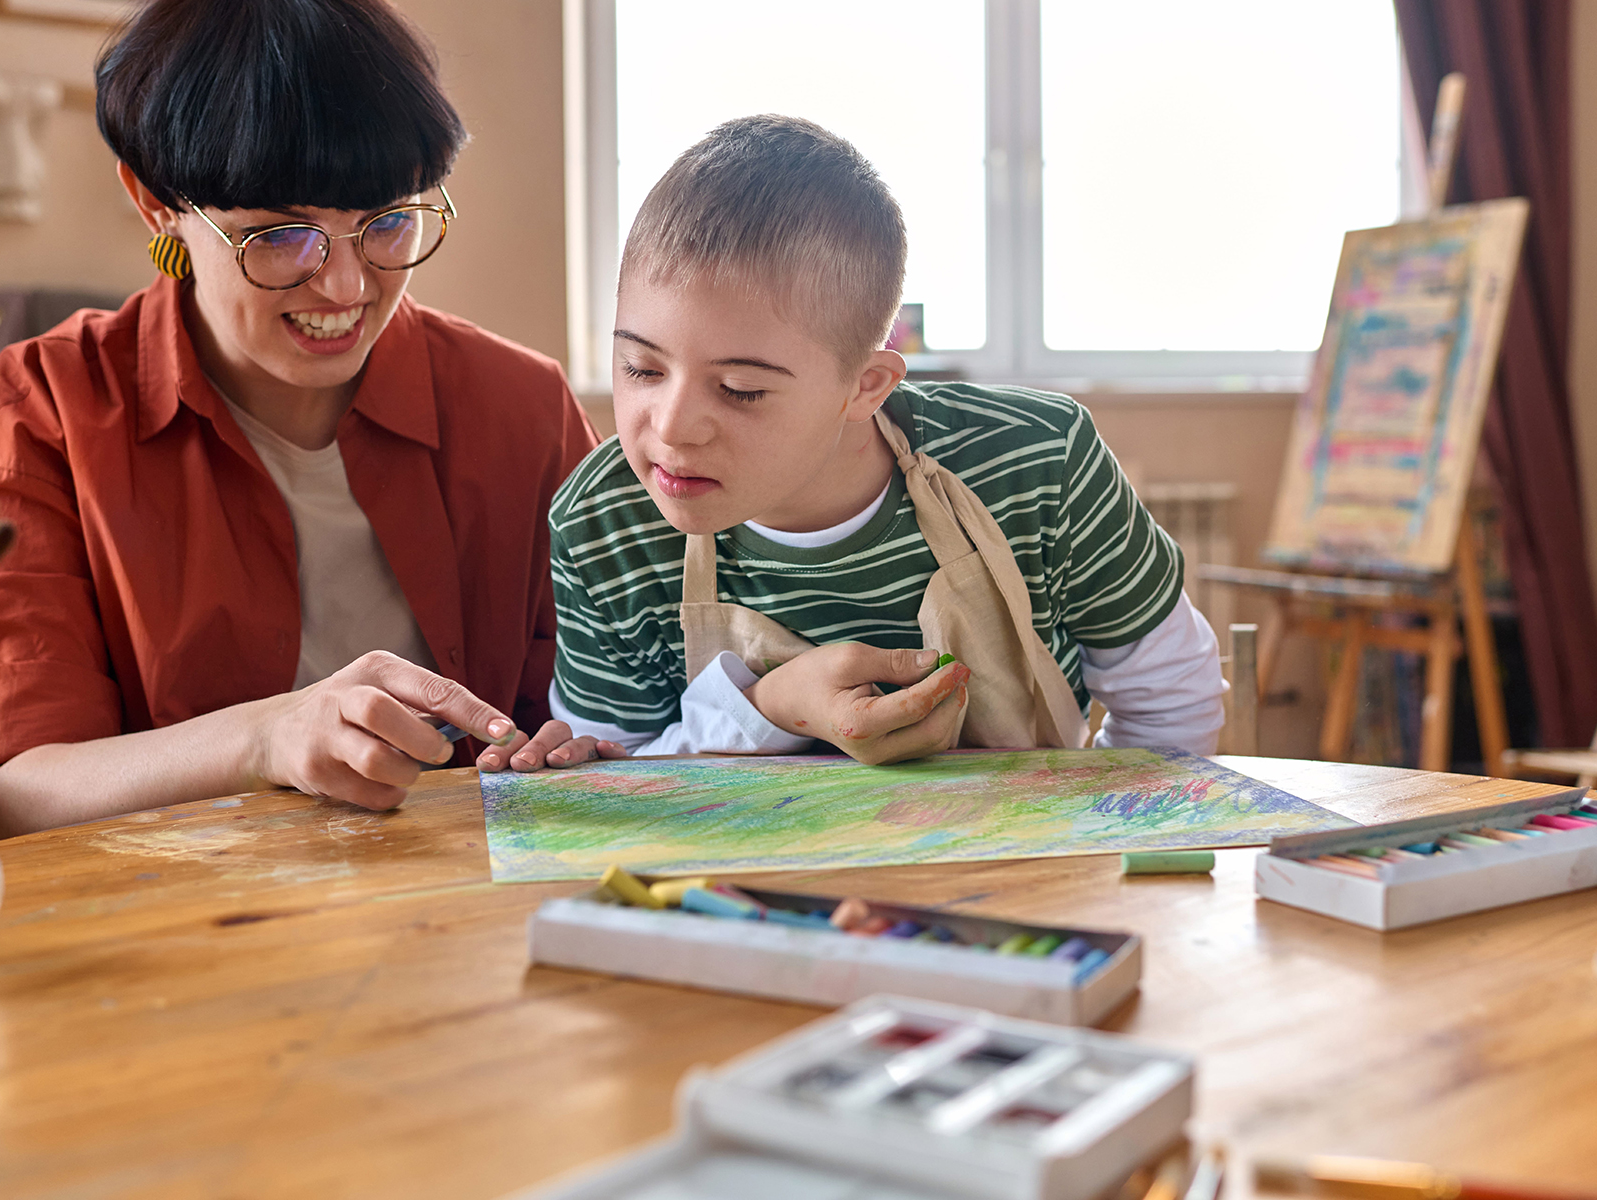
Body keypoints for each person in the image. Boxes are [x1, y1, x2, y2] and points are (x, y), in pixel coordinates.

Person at [0, 0, 597, 837]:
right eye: (281, 236)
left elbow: (623, 706)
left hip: (469, 914)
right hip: (181, 933)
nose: (348, 288)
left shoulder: (522, 407)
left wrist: (586, 743)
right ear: (156, 201)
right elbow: (13, 786)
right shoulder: (48, 414)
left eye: (387, 222)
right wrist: (266, 737)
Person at [488, 115, 1224, 773]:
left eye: (741, 388)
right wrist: (767, 709)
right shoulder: (604, 521)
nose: (671, 426)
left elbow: (1170, 703)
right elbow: (618, 781)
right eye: (641, 368)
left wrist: (1103, 853)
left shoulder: (1037, 463)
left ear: (866, 386)